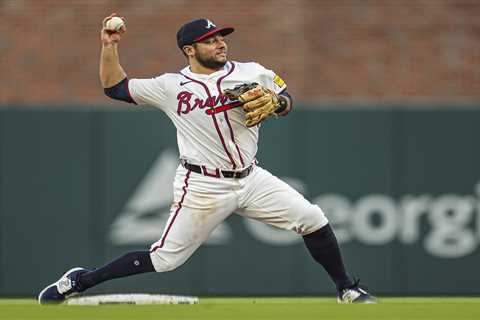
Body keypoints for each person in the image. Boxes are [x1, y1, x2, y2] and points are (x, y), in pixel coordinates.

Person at [38, 14, 376, 305]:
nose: (219, 43)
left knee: (312, 218)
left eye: (220, 37)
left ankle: (347, 289)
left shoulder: (253, 71)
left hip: (251, 178)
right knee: (165, 259)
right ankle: (79, 281)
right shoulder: (171, 86)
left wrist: (279, 102)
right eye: (209, 40)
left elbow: (286, 98)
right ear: (190, 50)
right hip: (202, 184)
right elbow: (115, 88)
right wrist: (109, 45)